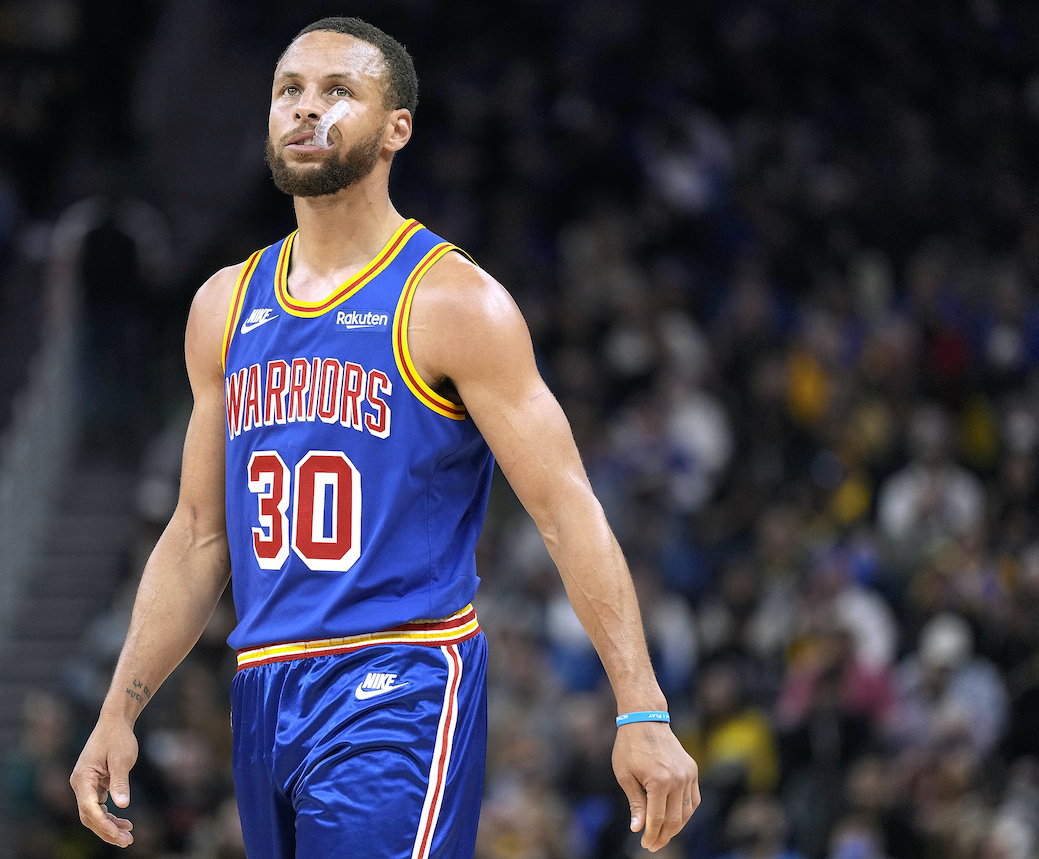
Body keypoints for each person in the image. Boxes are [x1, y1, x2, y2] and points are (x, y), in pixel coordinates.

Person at [70, 16, 699, 857]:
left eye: (338, 91)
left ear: (397, 128)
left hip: (398, 681)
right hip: (262, 689)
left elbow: (566, 508)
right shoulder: (225, 305)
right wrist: (120, 708)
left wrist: (642, 707)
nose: (305, 109)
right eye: (288, 90)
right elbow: (197, 534)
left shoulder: (453, 301)